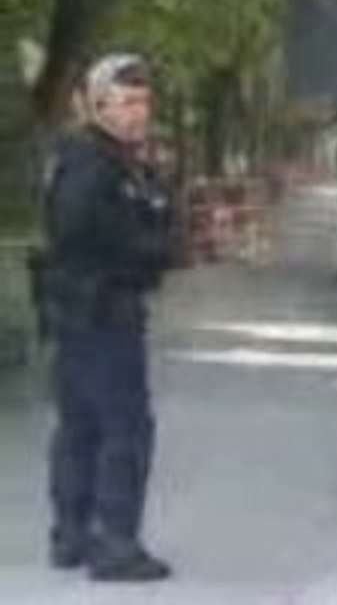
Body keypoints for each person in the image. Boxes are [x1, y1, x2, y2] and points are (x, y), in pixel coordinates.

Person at [42, 53, 176, 582]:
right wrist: (150, 246)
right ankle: (114, 542)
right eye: (125, 102)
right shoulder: (91, 161)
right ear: (97, 105)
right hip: (101, 312)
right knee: (124, 428)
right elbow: (83, 231)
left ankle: (72, 534)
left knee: (81, 427)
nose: (137, 113)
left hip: (85, 309)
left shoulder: (109, 158)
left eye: (143, 101)